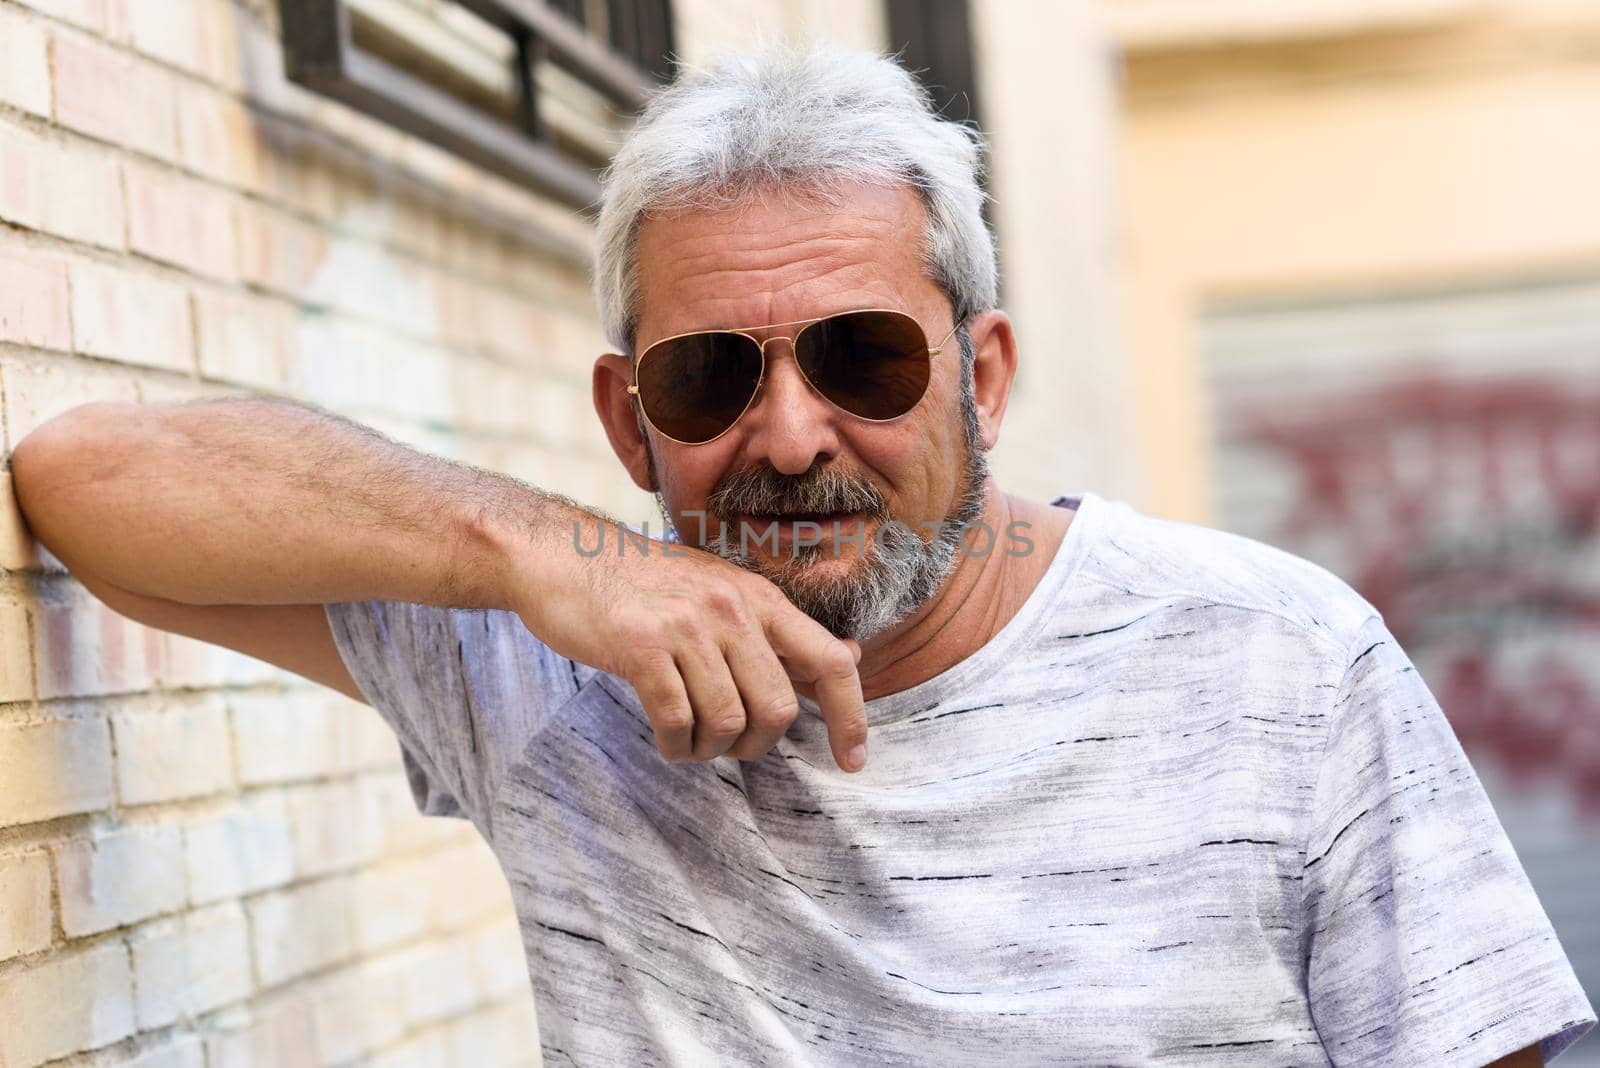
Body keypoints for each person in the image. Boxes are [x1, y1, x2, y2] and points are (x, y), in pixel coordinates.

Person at [12, 42, 1593, 1067]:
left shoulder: (1276, 661)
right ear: (628, 425)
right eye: (711, 378)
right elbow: (86, 478)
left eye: (863, 360)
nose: (786, 435)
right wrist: (539, 553)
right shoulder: (558, 654)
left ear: (981, 376)